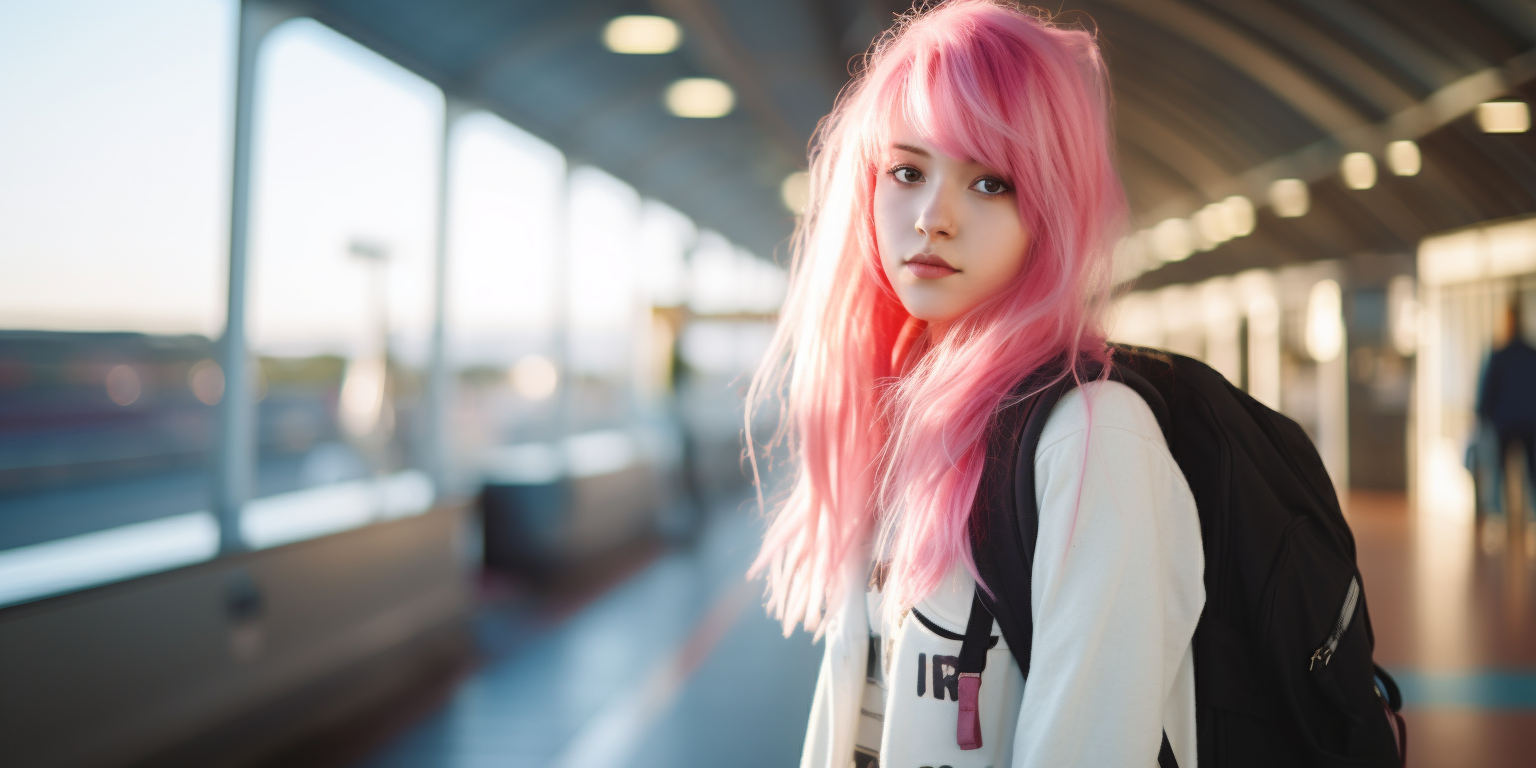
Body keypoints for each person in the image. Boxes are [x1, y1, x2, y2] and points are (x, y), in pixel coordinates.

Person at [744, 2, 1203, 767]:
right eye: (907, 171)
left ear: (1050, 211)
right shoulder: (894, 418)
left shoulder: (1094, 438)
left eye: (990, 182)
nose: (933, 217)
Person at [1476, 299, 1536, 519]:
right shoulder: (1530, 354)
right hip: (1527, 421)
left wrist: (1481, 415)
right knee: (1530, 475)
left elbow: (1486, 390)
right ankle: (1527, 520)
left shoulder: (1500, 355)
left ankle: (1498, 518)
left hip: (1506, 422)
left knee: (1499, 474)